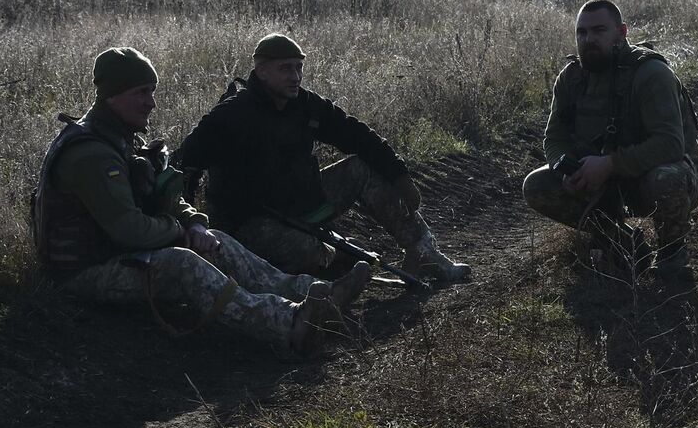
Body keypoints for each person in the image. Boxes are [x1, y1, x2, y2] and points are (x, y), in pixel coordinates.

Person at [34, 47, 370, 355]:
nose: (151, 102)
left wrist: (194, 222)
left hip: (118, 255)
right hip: (84, 273)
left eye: (152, 91)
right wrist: (179, 232)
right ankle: (287, 324)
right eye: (141, 92)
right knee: (183, 263)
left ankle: (316, 294)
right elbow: (129, 230)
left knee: (216, 242)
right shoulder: (92, 154)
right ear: (112, 96)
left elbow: (164, 199)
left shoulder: (118, 138)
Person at [174, 33, 470, 286]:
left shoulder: (306, 105)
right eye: (286, 68)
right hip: (251, 223)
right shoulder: (230, 115)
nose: (295, 76)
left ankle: (425, 255)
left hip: (305, 206)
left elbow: (358, 136)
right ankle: (328, 270)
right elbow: (183, 164)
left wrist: (399, 176)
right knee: (307, 252)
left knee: (361, 167)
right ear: (261, 71)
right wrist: (190, 228)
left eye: (299, 68)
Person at [523, 0, 698, 279]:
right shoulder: (571, 78)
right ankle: (622, 242)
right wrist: (564, 168)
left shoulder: (651, 74)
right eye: (581, 33)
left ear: (622, 32)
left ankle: (672, 253)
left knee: (665, 178)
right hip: (606, 181)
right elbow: (554, 136)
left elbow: (670, 144)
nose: (589, 40)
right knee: (537, 184)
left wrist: (609, 164)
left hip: (668, 177)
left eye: (599, 31)